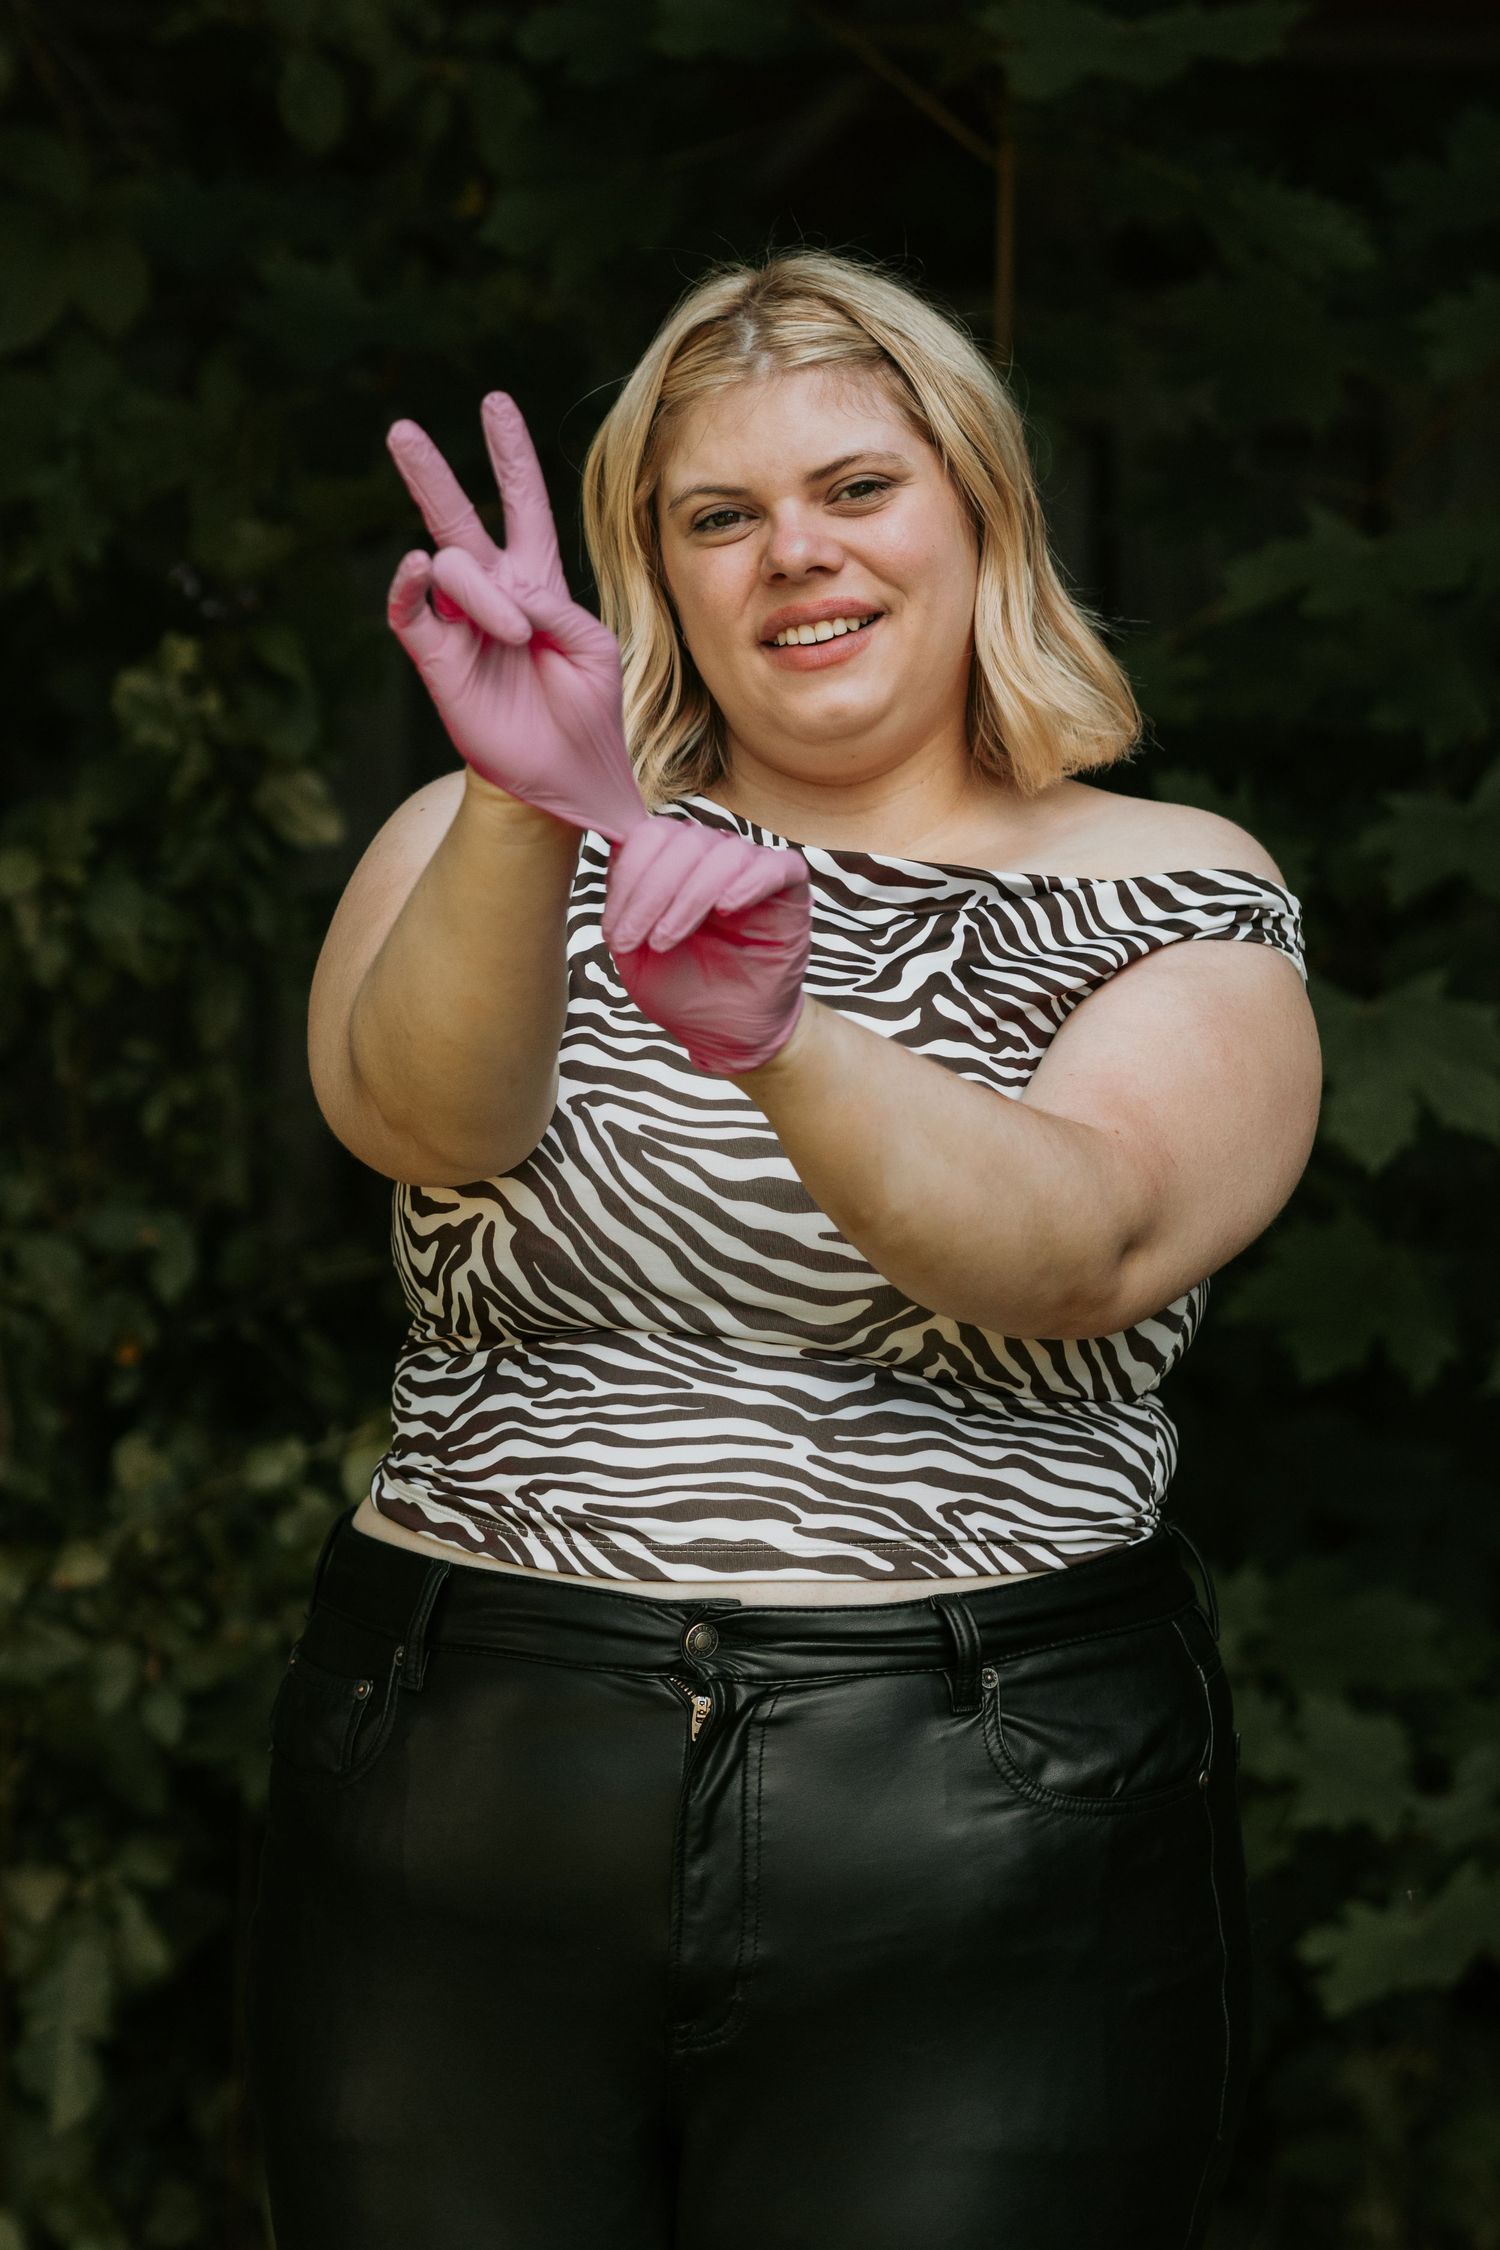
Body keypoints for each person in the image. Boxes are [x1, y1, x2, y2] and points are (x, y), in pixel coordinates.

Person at [244, 248, 1321, 2248]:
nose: (794, 560)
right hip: (464, 1784)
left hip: (976, 1815)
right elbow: (414, 1122)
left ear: (983, 510)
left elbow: (1078, 1243)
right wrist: (519, 801)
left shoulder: (1166, 883)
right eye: (717, 517)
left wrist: (781, 1033)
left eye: (855, 489)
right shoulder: (488, 833)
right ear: (651, 570)